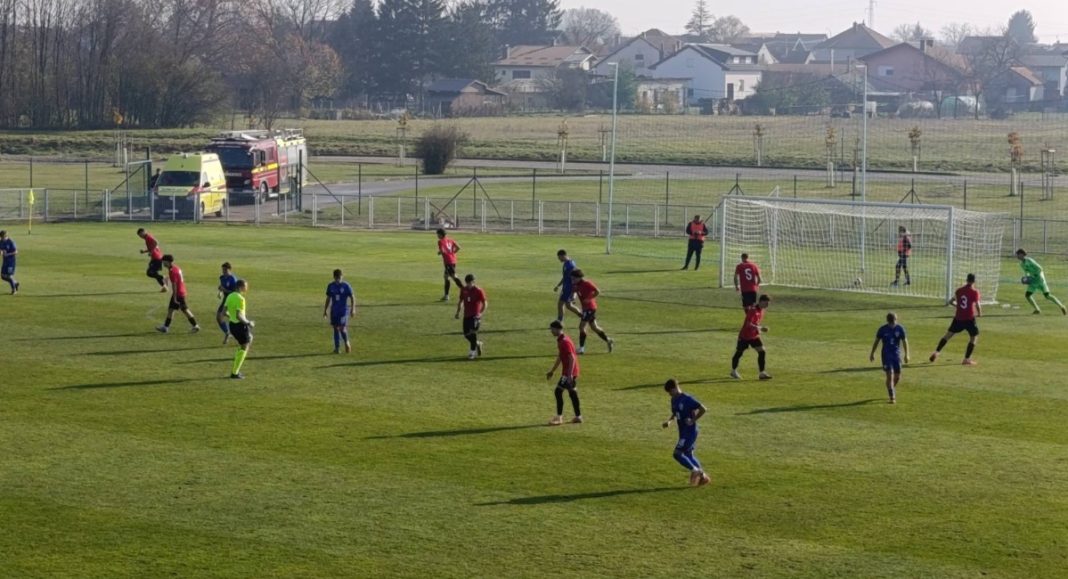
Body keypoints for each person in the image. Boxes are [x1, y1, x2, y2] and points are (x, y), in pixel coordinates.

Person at [661, 378, 711, 486]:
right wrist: (669, 421)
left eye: (670, 392)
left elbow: (703, 409)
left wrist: (693, 420)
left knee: (677, 454)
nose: (669, 395)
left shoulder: (687, 399)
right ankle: (703, 478)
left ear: (675, 388)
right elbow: (675, 412)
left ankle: (695, 471)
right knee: (688, 455)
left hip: (690, 431)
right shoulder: (674, 399)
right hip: (683, 431)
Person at [930, 273, 981, 366]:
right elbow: (977, 304)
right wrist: (980, 313)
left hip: (958, 318)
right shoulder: (974, 292)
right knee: (974, 338)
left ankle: (936, 352)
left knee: (947, 335)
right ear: (974, 281)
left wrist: (958, 306)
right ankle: (966, 359)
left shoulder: (959, 290)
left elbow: (950, 301)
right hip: (969, 318)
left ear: (966, 280)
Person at [545, 320, 582, 425]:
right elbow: (561, 356)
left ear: (557, 329)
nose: (551, 331)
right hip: (569, 372)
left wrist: (569, 374)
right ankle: (578, 417)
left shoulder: (565, 342)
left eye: (552, 329)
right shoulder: (561, 340)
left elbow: (572, 358)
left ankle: (559, 417)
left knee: (558, 391)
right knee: (572, 393)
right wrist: (552, 371)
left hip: (569, 372)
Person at [870, 312, 910, 404]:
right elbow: (876, 341)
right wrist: (872, 353)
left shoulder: (900, 329)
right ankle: (892, 396)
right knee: (890, 375)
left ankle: (890, 387)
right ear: (889, 320)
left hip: (896, 355)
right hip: (886, 355)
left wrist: (906, 354)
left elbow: (905, 341)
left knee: (897, 376)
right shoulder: (882, 329)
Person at [571, 269, 613, 354]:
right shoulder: (576, 285)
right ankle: (608, 340)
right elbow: (575, 292)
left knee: (582, 327)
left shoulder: (587, 283)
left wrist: (589, 298)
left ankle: (581, 348)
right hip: (586, 308)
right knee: (594, 327)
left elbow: (597, 291)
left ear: (579, 277)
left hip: (590, 308)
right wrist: (573, 297)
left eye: (574, 278)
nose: (573, 280)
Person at [731, 294, 772, 380]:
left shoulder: (761, 311)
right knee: (739, 353)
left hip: (754, 336)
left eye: (768, 304)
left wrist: (759, 330)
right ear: (760, 301)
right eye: (766, 303)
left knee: (762, 351)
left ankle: (762, 373)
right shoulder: (753, 310)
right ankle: (733, 371)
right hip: (745, 336)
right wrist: (760, 328)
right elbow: (748, 324)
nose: (767, 305)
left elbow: (755, 323)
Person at [1015, 249, 1067, 315]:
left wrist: (1035, 275)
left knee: (1045, 295)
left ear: (1022, 254)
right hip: (1034, 280)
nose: (1017, 256)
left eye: (1018, 254)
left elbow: (1040, 268)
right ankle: (1039, 309)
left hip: (1039, 279)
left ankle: (1039, 309)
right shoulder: (1022, 264)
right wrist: (1026, 278)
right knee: (1031, 295)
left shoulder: (1030, 260)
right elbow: (1026, 272)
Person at [156, 254, 200, 334]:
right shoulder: (176, 268)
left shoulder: (172, 271)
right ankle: (165, 327)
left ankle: (195, 325)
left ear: (168, 262)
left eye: (164, 262)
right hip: (181, 291)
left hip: (178, 293)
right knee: (172, 310)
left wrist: (175, 297)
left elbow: (174, 285)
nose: (163, 263)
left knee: (184, 310)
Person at [224, 279, 254, 379]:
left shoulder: (230, 296)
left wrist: (231, 316)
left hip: (232, 325)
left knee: (249, 339)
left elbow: (224, 312)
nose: (247, 288)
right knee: (245, 347)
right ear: (241, 287)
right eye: (246, 286)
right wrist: (248, 323)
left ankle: (236, 367)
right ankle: (235, 373)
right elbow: (239, 316)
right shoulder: (241, 299)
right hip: (240, 326)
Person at [455, 273, 487, 360]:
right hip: (466, 315)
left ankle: (472, 352)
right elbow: (461, 301)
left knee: (473, 334)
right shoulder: (464, 290)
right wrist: (458, 312)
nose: (468, 285)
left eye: (470, 283)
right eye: (467, 283)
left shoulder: (478, 290)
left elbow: (485, 303)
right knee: (466, 334)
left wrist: (480, 313)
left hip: (475, 316)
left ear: (473, 282)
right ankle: (477, 343)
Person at [323, 269, 356, 353]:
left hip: (343, 311)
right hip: (334, 311)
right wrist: (325, 310)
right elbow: (328, 298)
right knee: (335, 328)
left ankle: (346, 341)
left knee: (342, 327)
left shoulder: (346, 286)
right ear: (334, 277)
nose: (339, 279)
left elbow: (352, 297)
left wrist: (353, 309)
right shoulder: (331, 286)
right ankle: (337, 348)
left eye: (340, 277)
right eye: (337, 278)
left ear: (342, 276)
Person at [552, 249, 582, 323]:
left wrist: (573, 293)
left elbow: (574, 279)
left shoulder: (570, 265)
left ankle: (559, 321)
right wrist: (558, 285)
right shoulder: (567, 263)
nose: (559, 259)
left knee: (560, 304)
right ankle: (583, 316)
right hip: (566, 287)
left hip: (568, 289)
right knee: (568, 306)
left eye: (559, 257)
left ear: (563, 256)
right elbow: (565, 277)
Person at [436, 228, 462, 301]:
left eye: (437, 234)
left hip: (448, 261)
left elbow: (442, 250)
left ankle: (465, 290)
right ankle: (446, 295)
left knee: (453, 276)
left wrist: (440, 252)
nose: (437, 235)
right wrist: (452, 253)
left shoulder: (440, 241)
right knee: (446, 277)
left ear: (440, 234)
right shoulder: (451, 240)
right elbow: (458, 248)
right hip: (453, 260)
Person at [216, 262, 239, 344]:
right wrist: (220, 292)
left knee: (219, 316)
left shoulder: (233, 279)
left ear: (230, 270)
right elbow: (222, 287)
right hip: (226, 299)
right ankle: (228, 332)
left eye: (225, 270)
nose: (223, 271)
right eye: (222, 270)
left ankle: (228, 332)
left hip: (232, 299)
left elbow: (234, 293)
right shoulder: (222, 277)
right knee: (221, 316)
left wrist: (224, 290)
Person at [0, 230, 19, 295]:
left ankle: (14, 290)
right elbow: (1, 250)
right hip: (5, 262)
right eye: (1, 237)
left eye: (2, 237)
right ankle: (15, 283)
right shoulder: (1, 242)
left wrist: (7, 254)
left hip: (11, 262)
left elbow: (16, 252)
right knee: (2, 276)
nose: (2, 239)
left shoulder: (11, 242)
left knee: (8, 276)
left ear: (6, 236)